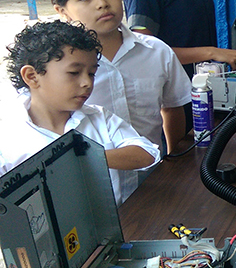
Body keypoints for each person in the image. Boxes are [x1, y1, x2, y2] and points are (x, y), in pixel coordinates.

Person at [1, 21, 159, 206]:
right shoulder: (7, 139)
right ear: (32, 76)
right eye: (74, 72)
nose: (87, 83)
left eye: (92, 73)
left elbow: (147, 154)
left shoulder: (99, 118)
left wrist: (86, 156)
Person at [48, 0, 192, 156]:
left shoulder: (157, 51)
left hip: (150, 174)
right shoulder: (54, 66)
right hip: (93, 181)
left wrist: (173, 156)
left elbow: (172, 107)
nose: (102, 3)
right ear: (62, 11)